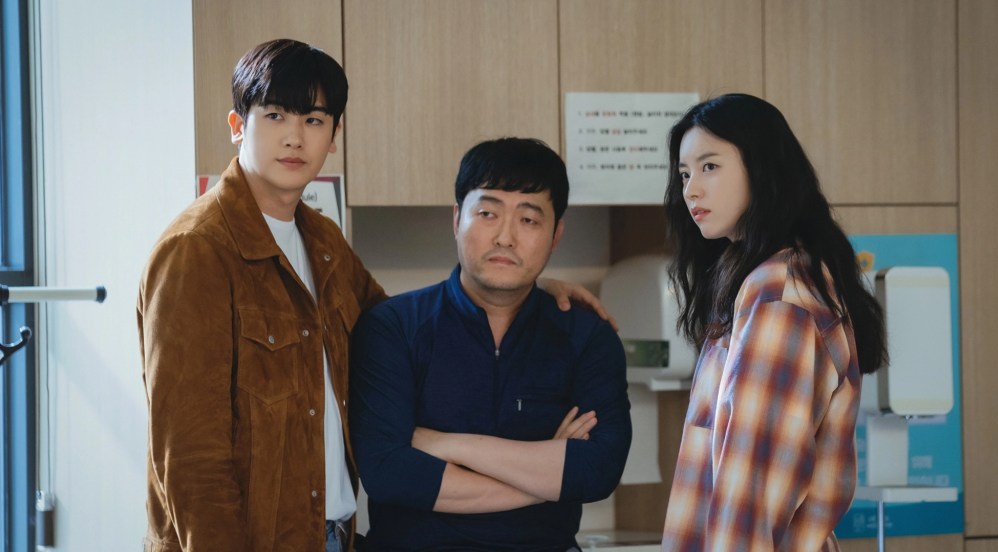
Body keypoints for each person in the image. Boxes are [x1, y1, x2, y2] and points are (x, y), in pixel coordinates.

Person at [137, 40, 606, 552]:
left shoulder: (321, 239)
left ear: (334, 136)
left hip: (334, 537)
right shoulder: (196, 252)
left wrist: (523, 289)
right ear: (237, 126)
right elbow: (189, 458)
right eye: (274, 116)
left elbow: (401, 326)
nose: (294, 137)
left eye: (314, 120)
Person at [349, 137, 632, 551]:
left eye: (529, 219)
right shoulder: (394, 327)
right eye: (487, 213)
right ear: (457, 218)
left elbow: (598, 471)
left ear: (556, 235)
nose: (505, 237)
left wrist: (447, 444)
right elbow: (388, 472)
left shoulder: (587, 336)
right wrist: (549, 476)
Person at [660, 93, 887, 551]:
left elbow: (751, 491)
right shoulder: (762, 279)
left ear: (762, 168)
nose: (691, 190)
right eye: (684, 174)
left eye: (709, 166)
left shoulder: (779, 294)